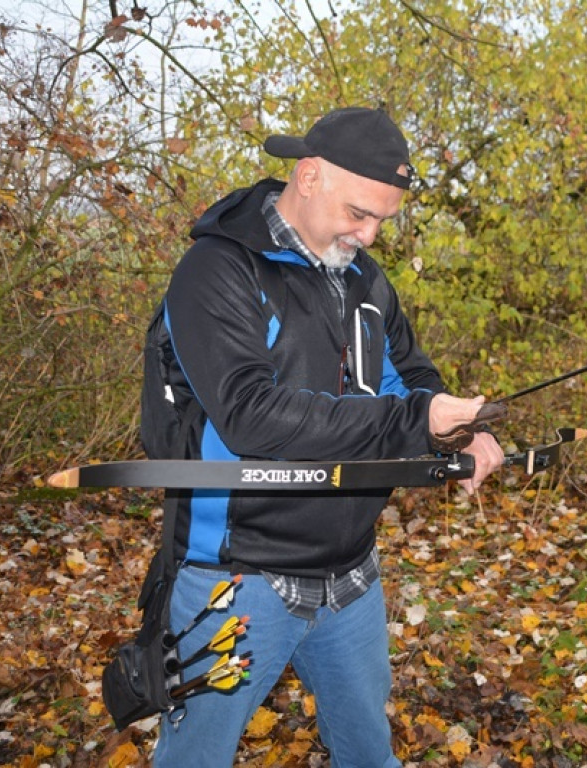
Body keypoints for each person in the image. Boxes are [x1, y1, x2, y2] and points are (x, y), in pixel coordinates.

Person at [150, 106, 505, 767]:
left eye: (381, 221)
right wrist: (413, 423)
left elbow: (410, 381)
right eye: (358, 214)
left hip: (351, 575)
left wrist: (461, 432)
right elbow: (251, 415)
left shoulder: (364, 279)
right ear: (308, 176)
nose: (369, 235)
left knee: (370, 754)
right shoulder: (217, 272)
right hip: (237, 575)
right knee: (193, 758)